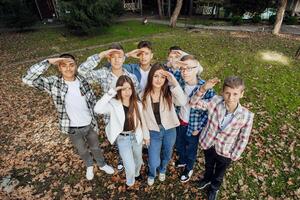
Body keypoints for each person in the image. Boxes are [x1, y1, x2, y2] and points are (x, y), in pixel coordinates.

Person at [22, 54, 114, 181]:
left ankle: (102, 164)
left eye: (71, 65)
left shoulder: (83, 80)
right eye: (64, 65)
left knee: (95, 147)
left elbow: (91, 96)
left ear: (75, 66)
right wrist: (47, 61)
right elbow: (28, 79)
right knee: (82, 150)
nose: (68, 68)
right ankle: (89, 165)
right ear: (59, 67)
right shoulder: (54, 83)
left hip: (90, 124)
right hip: (72, 128)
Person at [190, 76, 254, 200]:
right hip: (208, 144)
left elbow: (243, 138)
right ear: (222, 92)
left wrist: (234, 154)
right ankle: (207, 179)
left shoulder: (247, 116)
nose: (231, 98)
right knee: (208, 165)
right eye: (227, 93)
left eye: (235, 94)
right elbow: (193, 103)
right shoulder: (215, 102)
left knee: (219, 173)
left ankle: (214, 188)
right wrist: (203, 89)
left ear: (242, 94)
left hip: (226, 151)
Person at [78, 43, 140, 171]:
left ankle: (133, 159)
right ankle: (121, 158)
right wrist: (100, 55)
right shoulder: (103, 74)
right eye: (113, 57)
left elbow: (137, 98)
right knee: (118, 140)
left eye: (120, 57)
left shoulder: (132, 77)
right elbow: (82, 71)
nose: (117, 60)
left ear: (124, 58)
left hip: (129, 116)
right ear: (108, 58)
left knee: (130, 140)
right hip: (110, 117)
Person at [94, 75, 150, 187]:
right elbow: (97, 109)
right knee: (129, 165)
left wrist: (146, 136)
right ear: (118, 89)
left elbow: (143, 122)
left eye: (129, 88)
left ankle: (137, 174)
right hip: (123, 138)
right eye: (123, 89)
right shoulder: (113, 105)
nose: (127, 92)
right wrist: (111, 92)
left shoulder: (137, 104)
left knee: (138, 160)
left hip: (136, 136)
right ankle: (130, 182)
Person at [141, 63, 187, 186]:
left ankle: (163, 170)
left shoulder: (169, 93)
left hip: (170, 130)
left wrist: (174, 82)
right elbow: (142, 118)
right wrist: (145, 135)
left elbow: (182, 102)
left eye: (162, 77)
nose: (158, 80)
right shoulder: (143, 95)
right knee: (153, 160)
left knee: (167, 153)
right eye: (156, 76)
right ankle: (152, 173)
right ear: (151, 77)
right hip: (153, 132)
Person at [172, 55, 215, 183]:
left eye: (189, 68)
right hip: (179, 121)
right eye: (182, 68)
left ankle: (189, 167)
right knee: (179, 144)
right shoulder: (179, 80)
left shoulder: (206, 88)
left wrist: (200, 127)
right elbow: (169, 68)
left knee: (191, 148)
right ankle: (182, 160)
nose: (185, 72)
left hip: (193, 127)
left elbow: (210, 112)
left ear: (197, 69)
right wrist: (178, 60)